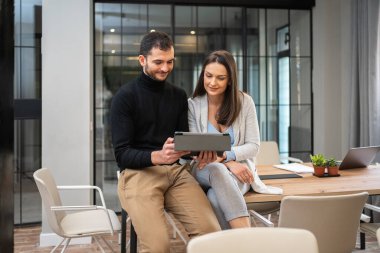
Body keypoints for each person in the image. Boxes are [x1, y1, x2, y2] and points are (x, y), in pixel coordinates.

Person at [111, 31, 221, 253]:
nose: (165, 68)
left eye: (170, 61)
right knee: (159, 246)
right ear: (142, 60)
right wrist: (156, 156)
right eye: (158, 62)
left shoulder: (178, 95)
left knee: (212, 234)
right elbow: (121, 154)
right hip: (138, 175)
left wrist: (200, 152)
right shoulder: (125, 97)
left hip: (175, 173)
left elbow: (182, 142)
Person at [188, 50, 260, 230]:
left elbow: (254, 146)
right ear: (202, 74)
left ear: (230, 80)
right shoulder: (193, 105)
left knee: (214, 197)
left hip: (239, 174)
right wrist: (228, 162)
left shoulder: (245, 102)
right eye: (208, 75)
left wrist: (225, 156)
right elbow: (196, 149)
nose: (212, 82)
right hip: (204, 169)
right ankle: (247, 239)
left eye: (220, 78)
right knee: (217, 169)